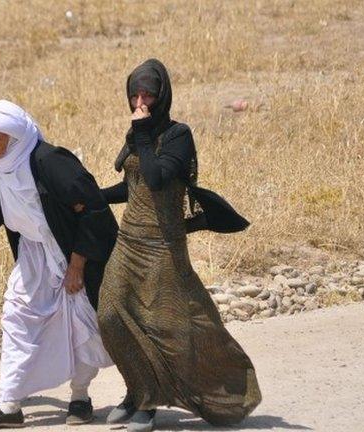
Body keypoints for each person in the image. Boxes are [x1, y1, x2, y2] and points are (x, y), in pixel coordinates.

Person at [97, 59, 262, 432]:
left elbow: (156, 179)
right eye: (134, 95)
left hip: (162, 247)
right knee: (110, 315)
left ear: (162, 96)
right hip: (129, 241)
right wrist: (92, 196)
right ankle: (137, 388)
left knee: (162, 325)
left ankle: (149, 402)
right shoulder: (137, 133)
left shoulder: (177, 136)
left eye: (148, 95)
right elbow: (135, 187)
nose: (140, 102)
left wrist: (141, 132)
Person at [0, 100, 117, 429]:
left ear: (13, 136)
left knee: (81, 323)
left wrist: (77, 266)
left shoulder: (50, 162)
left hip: (72, 252)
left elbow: (95, 211)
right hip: (33, 253)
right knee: (16, 315)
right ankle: (10, 405)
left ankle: (80, 398)